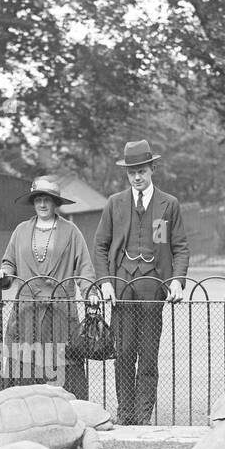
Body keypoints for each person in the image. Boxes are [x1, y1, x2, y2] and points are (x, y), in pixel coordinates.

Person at [92, 140, 189, 425]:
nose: (137, 177)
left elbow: (180, 247)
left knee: (147, 356)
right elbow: (100, 246)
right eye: (132, 172)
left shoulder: (168, 204)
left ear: (151, 170)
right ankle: (125, 414)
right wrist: (105, 283)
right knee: (122, 354)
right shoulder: (115, 203)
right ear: (127, 174)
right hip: (121, 286)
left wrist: (176, 282)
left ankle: (143, 416)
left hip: (153, 287)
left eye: (142, 171)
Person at [0, 175, 96, 400]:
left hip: (60, 310)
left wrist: (90, 293)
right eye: (38, 199)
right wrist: (4, 274)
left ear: (56, 202)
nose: (43, 204)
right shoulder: (20, 231)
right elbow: (9, 263)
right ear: (33, 202)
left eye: (48, 199)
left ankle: (69, 413)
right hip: (27, 310)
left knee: (64, 362)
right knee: (24, 361)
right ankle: (23, 412)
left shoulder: (71, 231)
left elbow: (84, 268)